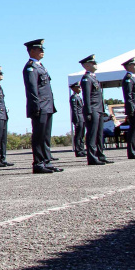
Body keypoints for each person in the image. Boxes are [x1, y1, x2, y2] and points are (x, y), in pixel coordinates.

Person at [23, 39, 60, 174]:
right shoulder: (30, 67)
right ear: (32, 51)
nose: (42, 51)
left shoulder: (40, 66)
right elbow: (32, 89)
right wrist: (36, 107)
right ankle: (38, 163)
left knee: (46, 136)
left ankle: (46, 161)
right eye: (40, 49)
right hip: (40, 106)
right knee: (39, 136)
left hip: (47, 105)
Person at [80, 54, 112, 166]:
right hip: (92, 109)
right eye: (93, 63)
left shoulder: (93, 78)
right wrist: (88, 112)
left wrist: (103, 111)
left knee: (99, 134)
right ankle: (92, 157)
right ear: (87, 65)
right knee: (92, 134)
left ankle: (100, 155)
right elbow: (87, 97)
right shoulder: (86, 79)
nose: (95, 64)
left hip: (98, 110)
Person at [69, 82, 87, 157]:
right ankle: (78, 151)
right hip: (78, 117)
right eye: (78, 87)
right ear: (74, 89)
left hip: (82, 117)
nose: (80, 89)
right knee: (78, 135)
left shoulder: (78, 97)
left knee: (82, 135)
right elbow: (74, 109)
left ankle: (82, 149)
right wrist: (76, 120)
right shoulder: (73, 97)